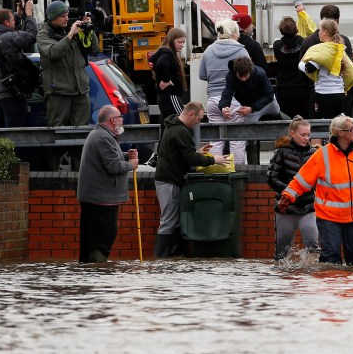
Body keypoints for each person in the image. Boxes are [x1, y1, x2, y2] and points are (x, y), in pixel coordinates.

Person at [276, 114, 353, 266]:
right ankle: (330, 286)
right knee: (330, 257)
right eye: (352, 129)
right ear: (340, 132)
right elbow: (303, 179)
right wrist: (287, 196)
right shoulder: (322, 155)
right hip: (330, 217)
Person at [153, 102, 225, 257]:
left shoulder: (172, 127)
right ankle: (162, 259)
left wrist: (197, 152)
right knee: (168, 221)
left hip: (167, 179)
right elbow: (190, 158)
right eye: (198, 119)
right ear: (191, 114)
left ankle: (173, 256)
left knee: (173, 221)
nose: (198, 122)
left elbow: (181, 153)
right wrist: (214, 160)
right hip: (169, 180)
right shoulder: (180, 131)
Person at [77, 105, 139, 262]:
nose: (122, 121)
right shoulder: (103, 137)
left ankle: (90, 274)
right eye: (120, 118)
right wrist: (131, 165)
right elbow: (113, 166)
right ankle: (99, 275)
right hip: (101, 200)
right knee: (102, 240)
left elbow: (109, 158)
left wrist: (125, 156)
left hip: (98, 198)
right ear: (112, 120)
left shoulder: (102, 135)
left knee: (93, 240)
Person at [37, 0, 99, 127]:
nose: (66, 18)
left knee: (81, 130)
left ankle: (78, 148)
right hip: (59, 92)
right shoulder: (44, 35)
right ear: (52, 17)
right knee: (59, 130)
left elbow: (93, 49)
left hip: (80, 90)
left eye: (67, 15)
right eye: (62, 16)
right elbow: (53, 52)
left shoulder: (71, 29)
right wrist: (71, 34)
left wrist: (88, 31)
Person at [199, 18, 250, 165]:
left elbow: (202, 75)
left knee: (215, 140)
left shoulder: (208, 51)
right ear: (234, 32)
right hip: (234, 100)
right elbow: (248, 74)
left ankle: (215, 172)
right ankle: (238, 171)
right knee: (237, 140)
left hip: (213, 100)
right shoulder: (241, 50)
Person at [267, 117, 319, 260]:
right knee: (282, 249)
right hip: (286, 208)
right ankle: (282, 275)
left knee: (313, 243)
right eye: (303, 135)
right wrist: (290, 191)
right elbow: (271, 178)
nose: (306, 138)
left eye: (308, 135)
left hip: (308, 206)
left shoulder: (315, 154)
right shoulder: (281, 153)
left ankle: (312, 273)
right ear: (292, 133)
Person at [299, 18, 353, 120]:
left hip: (324, 94)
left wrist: (301, 63)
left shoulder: (322, 50)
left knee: (324, 127)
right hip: (340, 93)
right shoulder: (339, 49)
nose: (318, 33)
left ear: (325, 32)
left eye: (319, 30)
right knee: (338, 125)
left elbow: (309, 69)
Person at [0, 0, 37, 127]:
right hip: (11, 95)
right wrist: (29, 14)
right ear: (6, 23)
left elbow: (11, 33)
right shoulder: (6, 38)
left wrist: (17, 15)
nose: (14, 22)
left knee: (0, 138)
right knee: (14, 136)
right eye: (12, 20)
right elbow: (32, 35)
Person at [219, 57, 281, 123]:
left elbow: (269, 95)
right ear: (235, 71)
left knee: (278, 116)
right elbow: (227, 93)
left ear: (250, 71)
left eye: (246, 76)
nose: (243, 79)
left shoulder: (259, 73)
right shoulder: (231, 76)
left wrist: (252, 108)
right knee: (250, 127)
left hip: (267, 102)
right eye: (240, 76)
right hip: (250, 105)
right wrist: (224, 107)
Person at [150, 27, 188, 122]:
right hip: (171, 95)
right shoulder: (168, 54)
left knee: (167, 124)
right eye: (179, 42)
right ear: (171, 40)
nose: (182, 45)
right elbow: (160, 65)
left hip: (166, 96)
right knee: (182, 120)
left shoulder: (166, 53)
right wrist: (167, 80)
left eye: (183, 42)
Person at [273, 16, 307, 119]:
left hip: (283, 87)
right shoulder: (304, 42)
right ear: (296, 29)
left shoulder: (276, 45)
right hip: (301, 86)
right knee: (302, 120)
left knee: (285, 120)